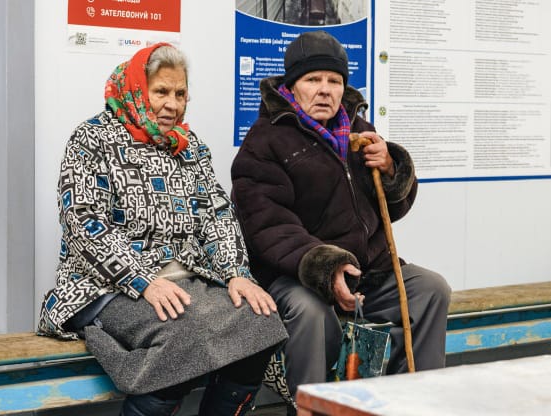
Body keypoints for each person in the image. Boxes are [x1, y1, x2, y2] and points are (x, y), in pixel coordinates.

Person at [37, 43, 288, 416]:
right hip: (105, 286)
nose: (173, 104)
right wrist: (142, 280)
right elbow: (83, 221)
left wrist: (237, 273)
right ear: (138, 90)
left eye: (180, 94)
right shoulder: (92, 140)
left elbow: (217, 214)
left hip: (184, 281)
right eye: (161, 92)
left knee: (261, 320)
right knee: (184, 335)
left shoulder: (190, 147)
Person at [230, 30, 452, 414]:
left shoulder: (360, 131)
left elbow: (393, 209)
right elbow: (267, 225)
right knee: (311, 313)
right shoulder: (265, 141)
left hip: (368, 273)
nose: (324, 90)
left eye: (334, 81)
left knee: (430, 289)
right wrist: (326, 267)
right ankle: (313, 408)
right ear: (291, 86)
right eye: (312, 79)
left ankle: (413, 401)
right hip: (299, 276)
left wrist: (391, 168)